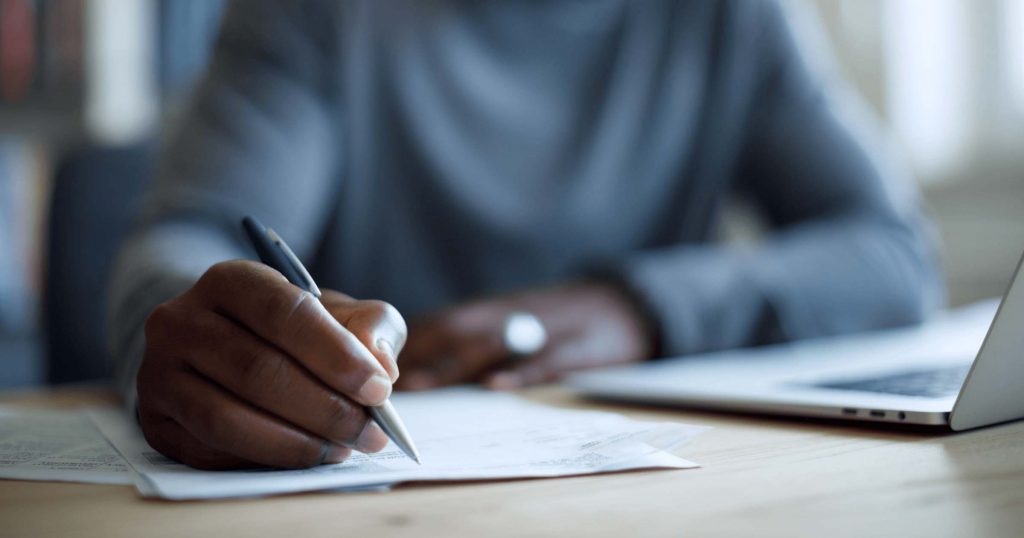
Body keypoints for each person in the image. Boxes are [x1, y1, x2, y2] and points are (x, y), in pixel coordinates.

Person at [108, 0, 943, 470]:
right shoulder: (319, 15)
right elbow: (188, 238)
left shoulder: (731, 15)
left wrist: (636, 308)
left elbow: (891, 250)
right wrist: (194, 334)